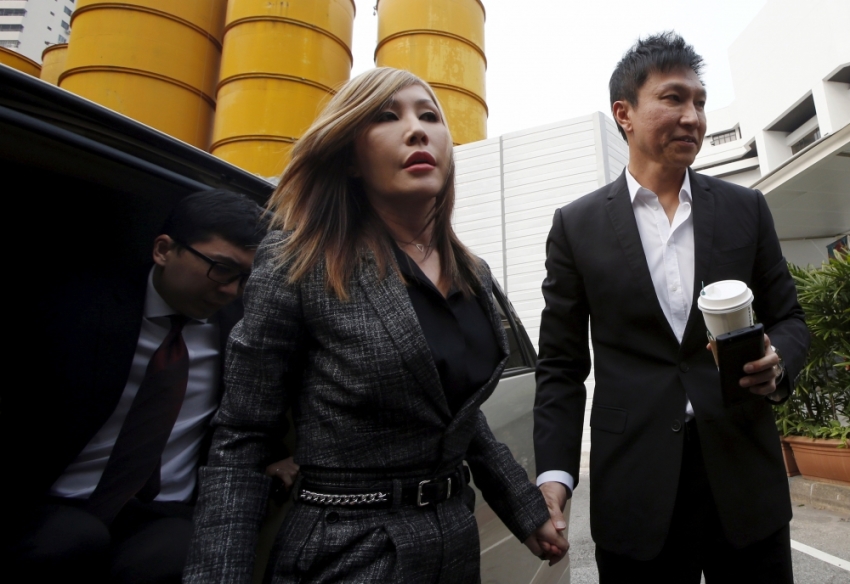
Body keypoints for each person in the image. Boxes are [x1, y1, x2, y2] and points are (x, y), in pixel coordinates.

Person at [184, 67, 567, 583]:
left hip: (453, 543)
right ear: (349, 158)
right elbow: (242, 438)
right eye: (388, 117)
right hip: (347, 549)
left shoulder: (472, 272)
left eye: (429, 115)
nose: (417, 129)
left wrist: (526, 511)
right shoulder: (298, 262)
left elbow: (459, 417)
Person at [533, 32, 810, 583]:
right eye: (674, 98)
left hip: (744, 478)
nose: (693, 117)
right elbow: (561, 366)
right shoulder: (576, 226)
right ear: (625, 114)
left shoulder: (745, 209)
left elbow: (790, 319)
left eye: (701, 102)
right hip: (635, 486)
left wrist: (778, 358)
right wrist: (554, 476)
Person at [4, 190, 267, 583]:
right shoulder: (76, 307)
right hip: (59, 499)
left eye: (246, 278)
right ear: (164, 250)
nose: (230, 290)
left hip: (160, 510)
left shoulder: (242, 333)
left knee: (189, 553)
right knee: (72, 539)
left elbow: (256, 413)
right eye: (221, 269)